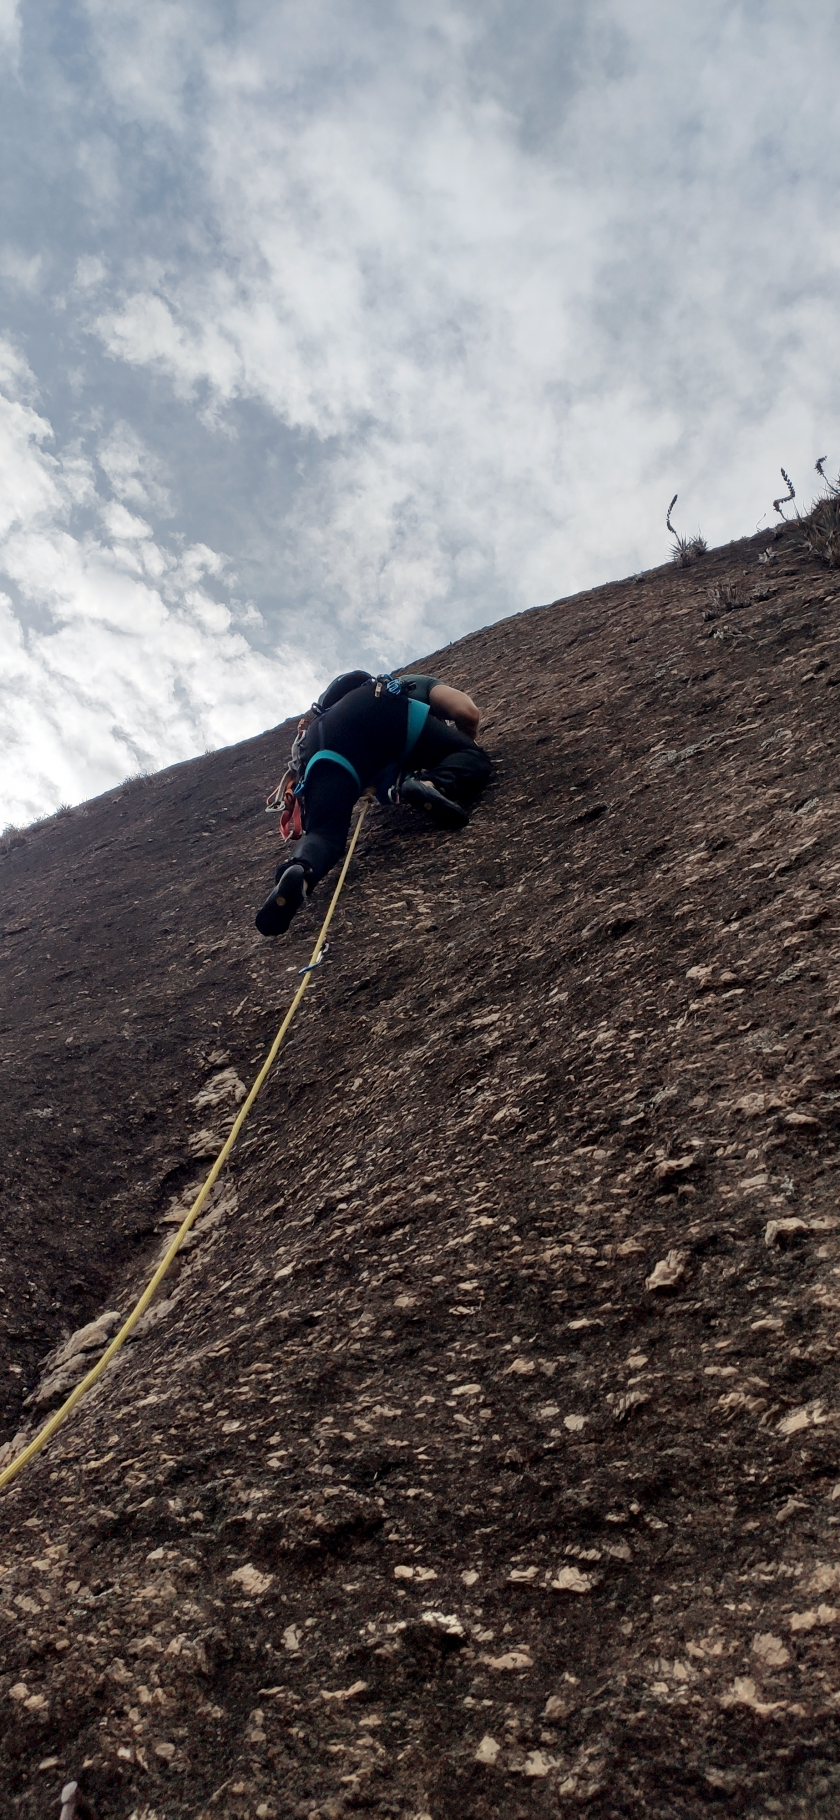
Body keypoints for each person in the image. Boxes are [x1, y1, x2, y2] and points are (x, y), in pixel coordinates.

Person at [255, 671, 492, 937]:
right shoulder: (405, 684)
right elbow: (466, 712)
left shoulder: (322, 717)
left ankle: (301, 870)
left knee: (323, 833)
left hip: (320, 742)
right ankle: (430, 785)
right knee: (472, 757)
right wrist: (462, 742)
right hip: (377, 711)